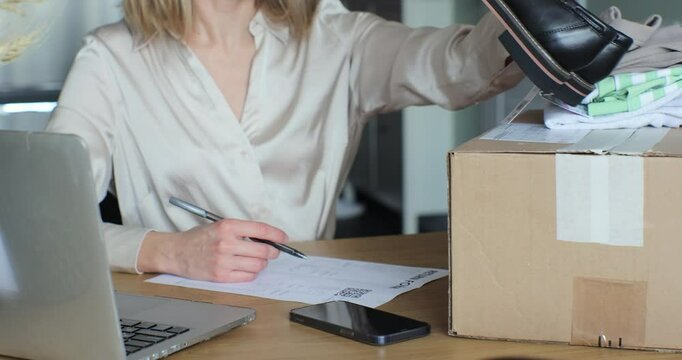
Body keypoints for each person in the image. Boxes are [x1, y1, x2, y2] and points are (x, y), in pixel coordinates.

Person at [47, 0, 523, 283]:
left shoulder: (336, 35)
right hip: (180, 312)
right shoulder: (110, 58)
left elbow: (461, 65)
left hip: (315, 317)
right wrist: (167, 250)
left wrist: (524, 16)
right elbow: (45, 228)